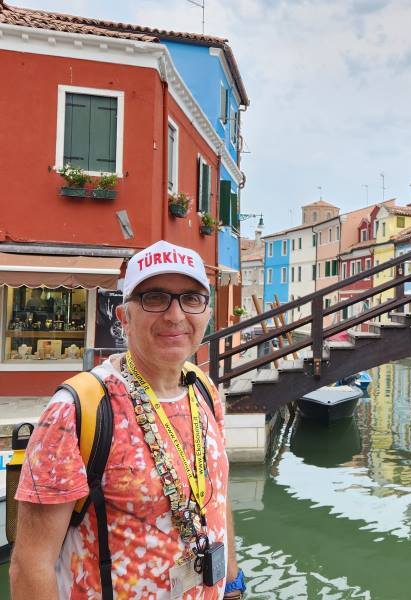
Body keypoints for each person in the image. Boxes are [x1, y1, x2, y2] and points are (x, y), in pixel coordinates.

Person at [11, 240, 246, 599]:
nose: (175, 315)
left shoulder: (205, 390)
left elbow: (217, 497)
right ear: (124, 317)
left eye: (192, 298)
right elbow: (31, 563)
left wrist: (231, 582)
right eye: (155, 298)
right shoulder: (75, 410)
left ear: (207, 312)